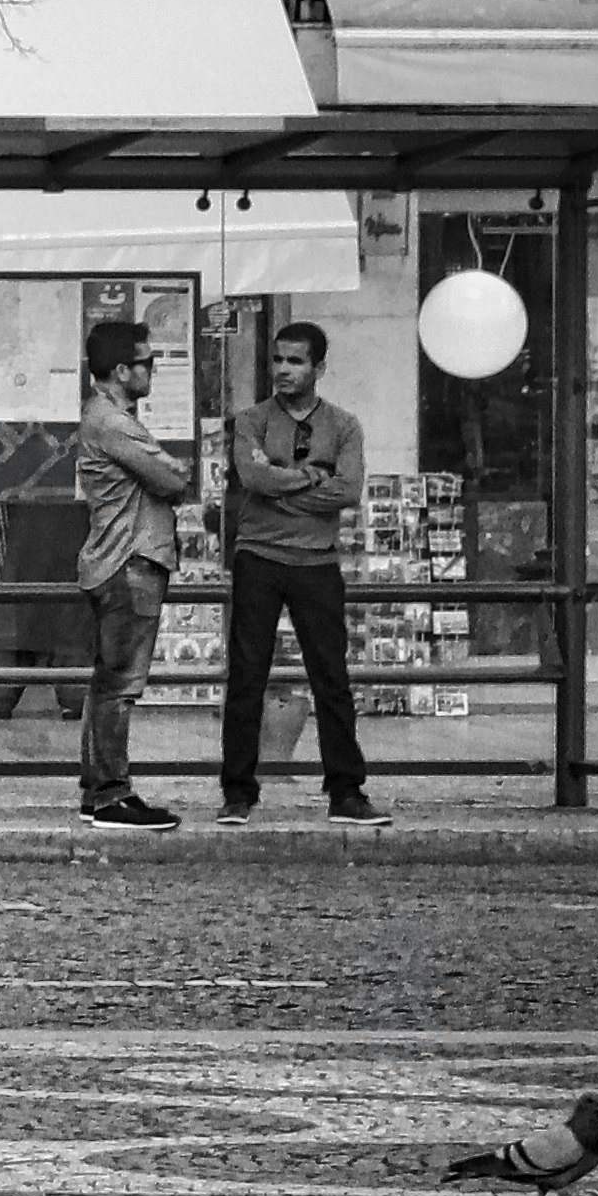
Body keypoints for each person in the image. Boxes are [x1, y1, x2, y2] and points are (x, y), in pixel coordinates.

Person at [217, 320, 387, 826]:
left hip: (317, 562)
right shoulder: (250, 420)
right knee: (247, 675)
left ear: (319, 368)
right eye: (277, 360)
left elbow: (348, 490)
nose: (283, 370)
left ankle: (346, 791)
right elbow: (252, 476)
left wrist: (281, 485)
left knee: (331, 677)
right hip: (259, 558)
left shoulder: (345, 425)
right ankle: (238, 791)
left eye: (295, 361)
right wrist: (311, 478)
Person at [72, 315, 192, 831]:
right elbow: (170, 478)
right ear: (122, 370)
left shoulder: (107, 416)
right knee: (120, 685)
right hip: (128, 562)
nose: (153, 372)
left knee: (108, 683)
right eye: (147, 363)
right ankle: (109, 795)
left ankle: (101, 789)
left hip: (120, 560)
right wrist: (173, 473)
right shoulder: (112, 421)